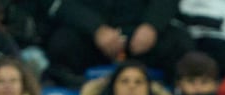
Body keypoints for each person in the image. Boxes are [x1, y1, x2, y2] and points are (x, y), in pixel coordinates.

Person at [47, 0, 195, 88]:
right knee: (62, 42)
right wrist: (96, 28)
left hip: (140, 31)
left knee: (180, 42)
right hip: (90, 33)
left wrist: (152, 25)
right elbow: (60, 4)